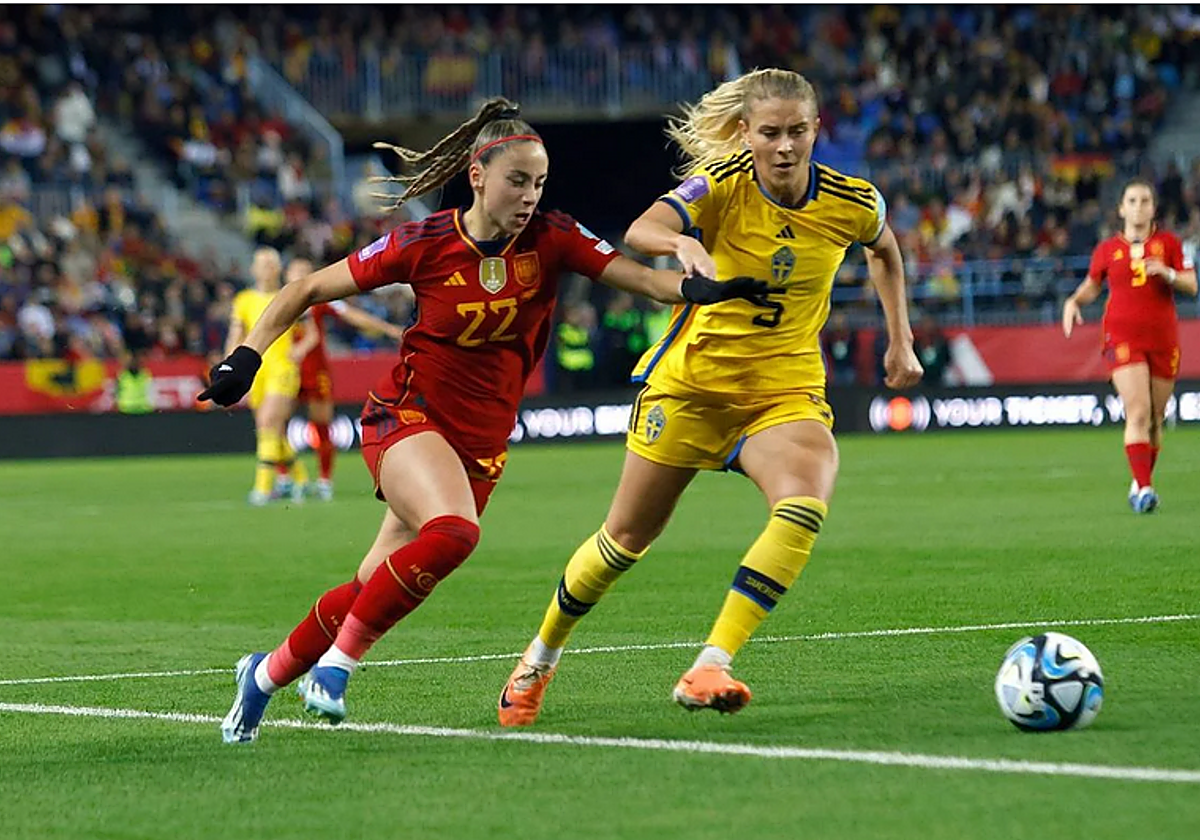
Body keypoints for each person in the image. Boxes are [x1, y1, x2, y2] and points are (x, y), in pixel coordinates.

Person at [200, 98, 771, 743]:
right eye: (517, 180)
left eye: (539, 182)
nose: (531, 195)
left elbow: (639, 278)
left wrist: (700, 285)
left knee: (372, 582)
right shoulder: (424, 242)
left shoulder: (553, 237)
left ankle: (266, 674)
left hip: (479, 446)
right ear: (479, 176)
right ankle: (335, 668)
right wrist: (244, 357)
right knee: (453, 534)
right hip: (407, 419)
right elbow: (305, 290)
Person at [497, 68, 923, 727]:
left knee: (805, 499)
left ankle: (712, 663)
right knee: (624, 540)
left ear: (818, 130)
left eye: (798, 132)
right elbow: (642, 228)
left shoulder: (853, 200)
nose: (785, 147)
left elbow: (885, 250)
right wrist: (682, 241)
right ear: (746, 133)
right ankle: (538, 658)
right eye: (771, 133)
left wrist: (901, 339)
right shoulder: (720, 185)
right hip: (691, 389)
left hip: (784, 391)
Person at [1062, 178, 1197, 513]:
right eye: (1133, 200)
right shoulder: (1108, 249)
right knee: (1136, 410)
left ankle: (1139, 483)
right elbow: (1093, 285)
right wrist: (1073, 302)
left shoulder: (1169, 243)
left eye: (1145, 201)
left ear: (1154, 208)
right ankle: (1146, 488)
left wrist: (1166, 273)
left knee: (1155, 418)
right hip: (1122, 336)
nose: (1139, 206)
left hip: (1163, 338)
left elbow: (1191, 285)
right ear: (1121, 208)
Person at [282, 257, 407, 502]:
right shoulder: (274, 300)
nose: (300, 274)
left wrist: (387, 329)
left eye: (306, 270)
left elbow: (353, 316)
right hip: (283, 371)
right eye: (296, 270)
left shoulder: (320, 299)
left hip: (315, 371)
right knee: (275, 424)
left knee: (321, 424)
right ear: (286, 274)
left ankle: (324, 480)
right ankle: (285, 477)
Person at [224, 247, 320, 506]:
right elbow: (236, 334)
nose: (266, 269)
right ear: (253, 269)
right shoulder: (243, 300)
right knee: (272, 430)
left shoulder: (289, 295)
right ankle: (300, 478)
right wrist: (228, 364)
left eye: (271, 264)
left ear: (278, 269)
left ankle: (263, 488)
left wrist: (298, 351)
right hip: (256, 371)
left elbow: (312, 334)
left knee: (267, 423)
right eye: (261, 264)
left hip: (283, 369)